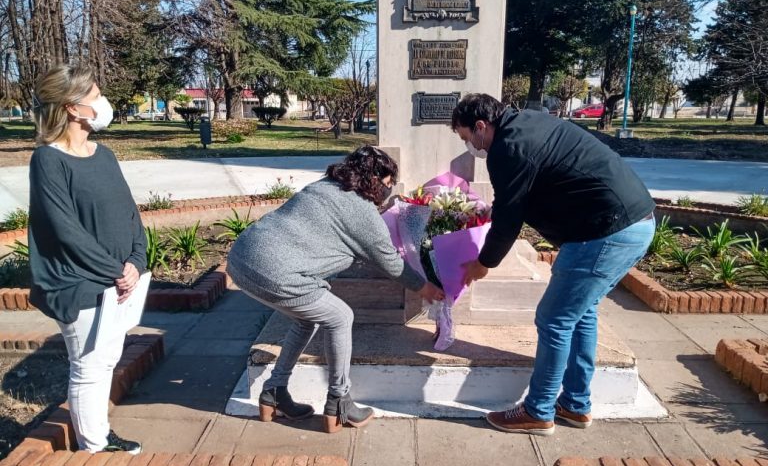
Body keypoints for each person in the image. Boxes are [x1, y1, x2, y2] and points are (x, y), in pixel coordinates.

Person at [454, 93, 655, 436]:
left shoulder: (508, 147)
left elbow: (509, 221)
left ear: (481, 126)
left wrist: (483, 263)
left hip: (604, 231)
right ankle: (575, 405)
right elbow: (524, 194)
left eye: (467, 138)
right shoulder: (528, 124)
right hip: (634, 223)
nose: (472, 146)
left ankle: (538, 410)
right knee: (581, 313)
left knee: (554, 319)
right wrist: (495, 213)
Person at [227, 146, 444, 433]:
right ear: (374, 181)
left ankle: (275, 391)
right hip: (276, 272)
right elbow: (391, 263)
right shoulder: (363, 213)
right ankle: (339, 402)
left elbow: (339, 222)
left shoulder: (325, 186)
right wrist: (424, 286)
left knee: (306, 320)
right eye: (388, 185)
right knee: (340, 316)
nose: (387, 192)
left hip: (241, 259)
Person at [28, 64, 146, 454]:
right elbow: (65, 230)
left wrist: (136, 261)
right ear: (73, 107)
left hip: (118, 281)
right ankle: (94, 447)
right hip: (79, 284)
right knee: (89, 365)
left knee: (108, 358)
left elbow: (130, 213)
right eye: (95, 96)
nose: (103, 102)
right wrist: (116, 270)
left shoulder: (104, 153)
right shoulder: (48, 160)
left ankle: (98, 433)